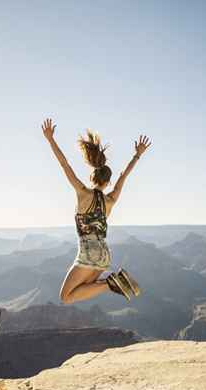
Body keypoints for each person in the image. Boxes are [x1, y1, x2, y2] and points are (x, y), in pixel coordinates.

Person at [41, 117, 151, 303]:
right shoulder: (110, 199)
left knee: (66, 297)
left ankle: (110, 283)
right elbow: (124, 175)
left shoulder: (83, 193)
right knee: (83, 289)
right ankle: (112, 281)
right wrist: (137, 155)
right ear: (108, 182)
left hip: (88, 252)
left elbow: (64, 164)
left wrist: (50, 139)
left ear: (92, 176)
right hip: (104, 254)